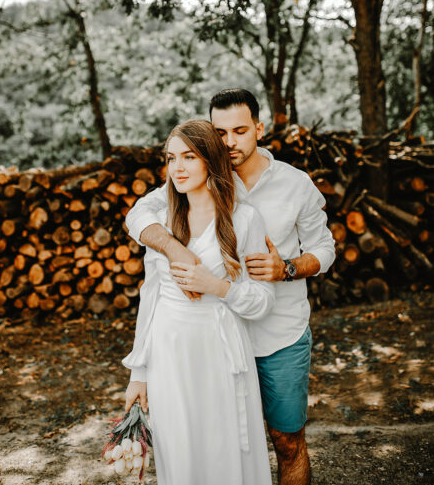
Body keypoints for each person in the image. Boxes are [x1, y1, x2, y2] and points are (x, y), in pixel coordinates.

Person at [126, 89, 336, 485]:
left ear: (259, 128)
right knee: (217, 445)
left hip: (278, 335)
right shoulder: (197, 176)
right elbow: (139, 214)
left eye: (239, 131)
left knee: (286, 440)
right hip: (214, 345)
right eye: (219, 132)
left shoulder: (295, 184)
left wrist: (286, 267)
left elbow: (325, 249)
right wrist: (174, 249)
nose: (229, 142)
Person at [122, 119, 274, 485]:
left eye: (189, 157)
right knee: (180, 450)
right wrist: (138, 373)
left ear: (210, 160)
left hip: (221, 352)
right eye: (171, 158)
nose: (177, 168)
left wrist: (218, 286)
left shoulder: (244, 219)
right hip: (169, 353)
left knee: (225, 451)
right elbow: (151, 297)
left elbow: (262, 302)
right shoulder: (161, 222)